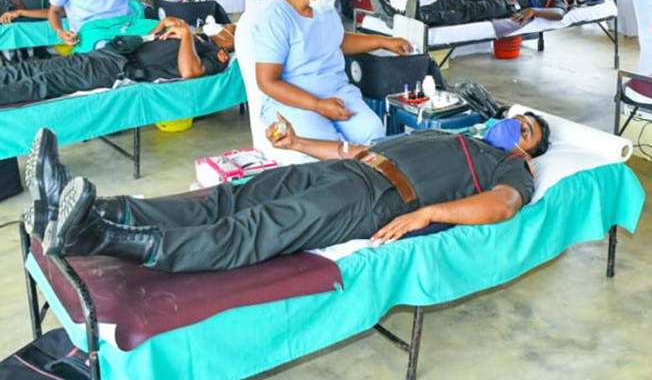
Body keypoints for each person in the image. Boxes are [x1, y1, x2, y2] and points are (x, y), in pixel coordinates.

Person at [31, 108, 550, 271]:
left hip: (376, 201)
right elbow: (356, 149)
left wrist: (428, 214)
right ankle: (85, 207)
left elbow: (503, 208)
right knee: (225, 199)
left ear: (527, 151)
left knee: (255, 228)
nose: (513, 127)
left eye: (526, 131)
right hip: (349, 170)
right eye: (516, 119)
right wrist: (299, 141)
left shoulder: (511, 170)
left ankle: (94, 238)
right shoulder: (447, 133)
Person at [253, 0, 412, 145]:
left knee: (372, 131)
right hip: (293, 102)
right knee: (324, 143)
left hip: (335, 91)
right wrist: (317, 105)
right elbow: (267, 81)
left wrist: (384, 42)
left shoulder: (322, 8)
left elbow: (336, 40)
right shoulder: (275, 20)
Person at [0, 17, 233, 106]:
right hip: (108, 54)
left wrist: (187, 37)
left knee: (44, 81)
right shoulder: (195, 34)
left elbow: (191, 73)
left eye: (231, 28)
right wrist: (161, 27)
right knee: (34, 67)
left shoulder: (215, 54)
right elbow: (150, 43)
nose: (226, 26)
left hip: (117, 70)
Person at [373, 0, 580, 27]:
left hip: (508, 7)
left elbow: (560, 14)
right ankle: (400, 15)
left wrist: (533, 10)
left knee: (468, 12)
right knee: (448, 1)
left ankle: (421, 18)